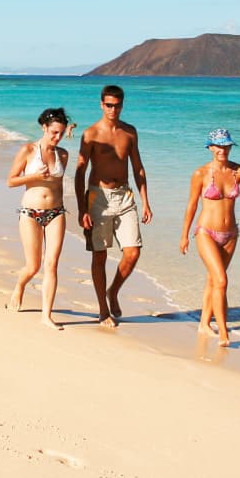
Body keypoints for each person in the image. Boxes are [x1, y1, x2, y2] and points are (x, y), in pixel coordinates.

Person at [178, 129, 240, 345]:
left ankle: (204, 324)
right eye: (218, 146)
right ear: (210, 147)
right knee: (221, 280)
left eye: (226, 145)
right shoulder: (200, 174)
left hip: (231, 234)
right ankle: (224, 334)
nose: (222, 149)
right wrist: (184, 235)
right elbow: (192, 205)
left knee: (214, 280)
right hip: (206, 232)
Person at [74, 84, 151, 326]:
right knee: (100, 255)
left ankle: (113, 290)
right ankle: (103, 310)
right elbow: (79, 171)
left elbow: (138, 167)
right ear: (101, 104)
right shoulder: (91, 134)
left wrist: (146, 200)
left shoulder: (129, 132)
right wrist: (82, 208)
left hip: (125, 196)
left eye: (117, 105)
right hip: (99, 198)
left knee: (133, 252)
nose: (113, 109)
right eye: (108, 105)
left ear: (122, 105)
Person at [6, 107, 71, 330]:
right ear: (44, 128)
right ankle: (19, 286)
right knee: (33, 267)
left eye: (61, 133)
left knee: (51, 264)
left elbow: (59, 185)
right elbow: (11, 181)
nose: (57, 137)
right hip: (30, 213)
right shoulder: (28, 150)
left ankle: (46, 316)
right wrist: (34, 176)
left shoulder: (63, 154)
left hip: (56, 213)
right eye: (54, 132)